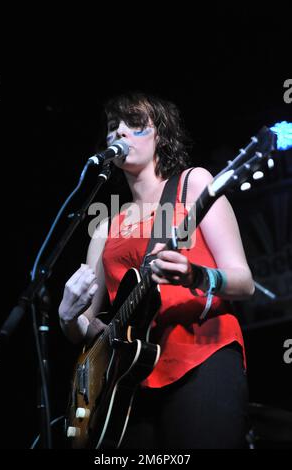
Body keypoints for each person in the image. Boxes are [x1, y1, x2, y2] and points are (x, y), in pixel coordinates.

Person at [58, 91, 255, 449]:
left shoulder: (192, 185)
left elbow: (244, 282)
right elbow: (88, 326)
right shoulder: (105, 227)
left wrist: (198, 276)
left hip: (201, 355)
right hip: (129, 381)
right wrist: (68, 317)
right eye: (112, 127)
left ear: (161, 135)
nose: (119, 132)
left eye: (134, 125)